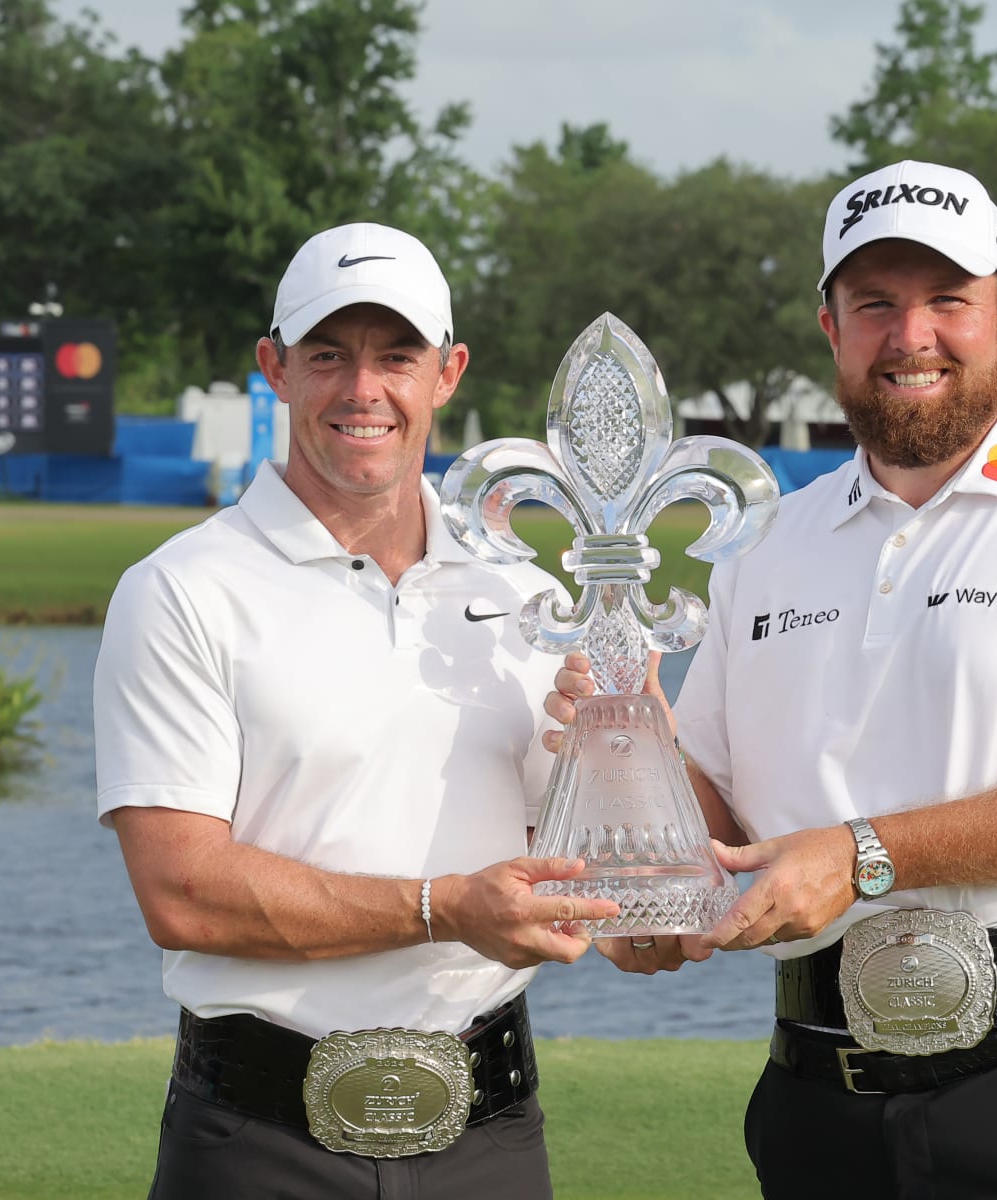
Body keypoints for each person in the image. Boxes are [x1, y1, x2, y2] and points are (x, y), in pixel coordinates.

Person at [546, 160, 997, 1197]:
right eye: (876, 305)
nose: (912, 336)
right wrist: (623, 764)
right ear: (832, 331)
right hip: (821, 1101)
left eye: (947, 300)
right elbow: (718, 817)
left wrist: (862, 858)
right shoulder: (770, 542)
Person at [94, 221, 619, 1200]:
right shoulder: (184, 589)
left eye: (397, 356)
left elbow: (590, 866)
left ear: (448, 372)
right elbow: (181, 892)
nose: (363, 389)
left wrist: (632, 746)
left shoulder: (524, 590)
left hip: (491, 1138)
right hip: (259, 1145)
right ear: (274, 369)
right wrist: (444, 909)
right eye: (328, 354)